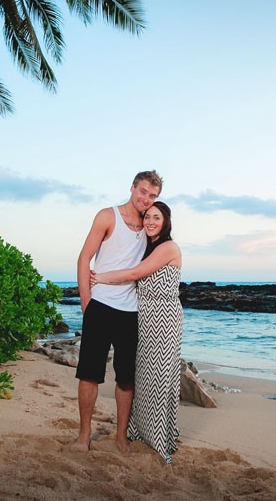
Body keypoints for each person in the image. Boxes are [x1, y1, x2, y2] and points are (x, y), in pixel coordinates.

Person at [71, 171, 163, 454]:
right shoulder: (107, 216)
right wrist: (86, 303)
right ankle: (84, 435)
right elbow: (84, 257)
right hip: (100, 305)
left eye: (152, 196)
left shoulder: (150, 226)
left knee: (125, 378)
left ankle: (121, 436)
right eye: (143, 192)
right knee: (89, 373)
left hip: (131, 312)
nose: (146, 199)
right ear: (132, 188)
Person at [91, 201, 183, 464]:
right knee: (142, 377)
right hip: (143, 316)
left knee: (160, 378)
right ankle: (139, 431)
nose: (150, 221)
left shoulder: (168, 247)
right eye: (147, 217)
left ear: (166, 222)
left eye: (157, 217)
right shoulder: (147, 246)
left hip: (164, 318)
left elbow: (135, 273)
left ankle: (159, 437)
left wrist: (99, 277)